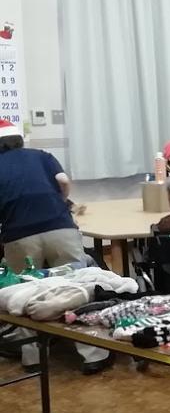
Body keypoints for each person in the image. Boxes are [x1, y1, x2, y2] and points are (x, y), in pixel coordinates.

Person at [0, 119, 111, 374]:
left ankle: (33, 358)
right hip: (59, 227)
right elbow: (63, 180)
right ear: (18, 139)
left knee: (23, 292)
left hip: (19, 235)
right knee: (76, 286)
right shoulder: (42, 156)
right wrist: (60, 202)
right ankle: (93, 355)